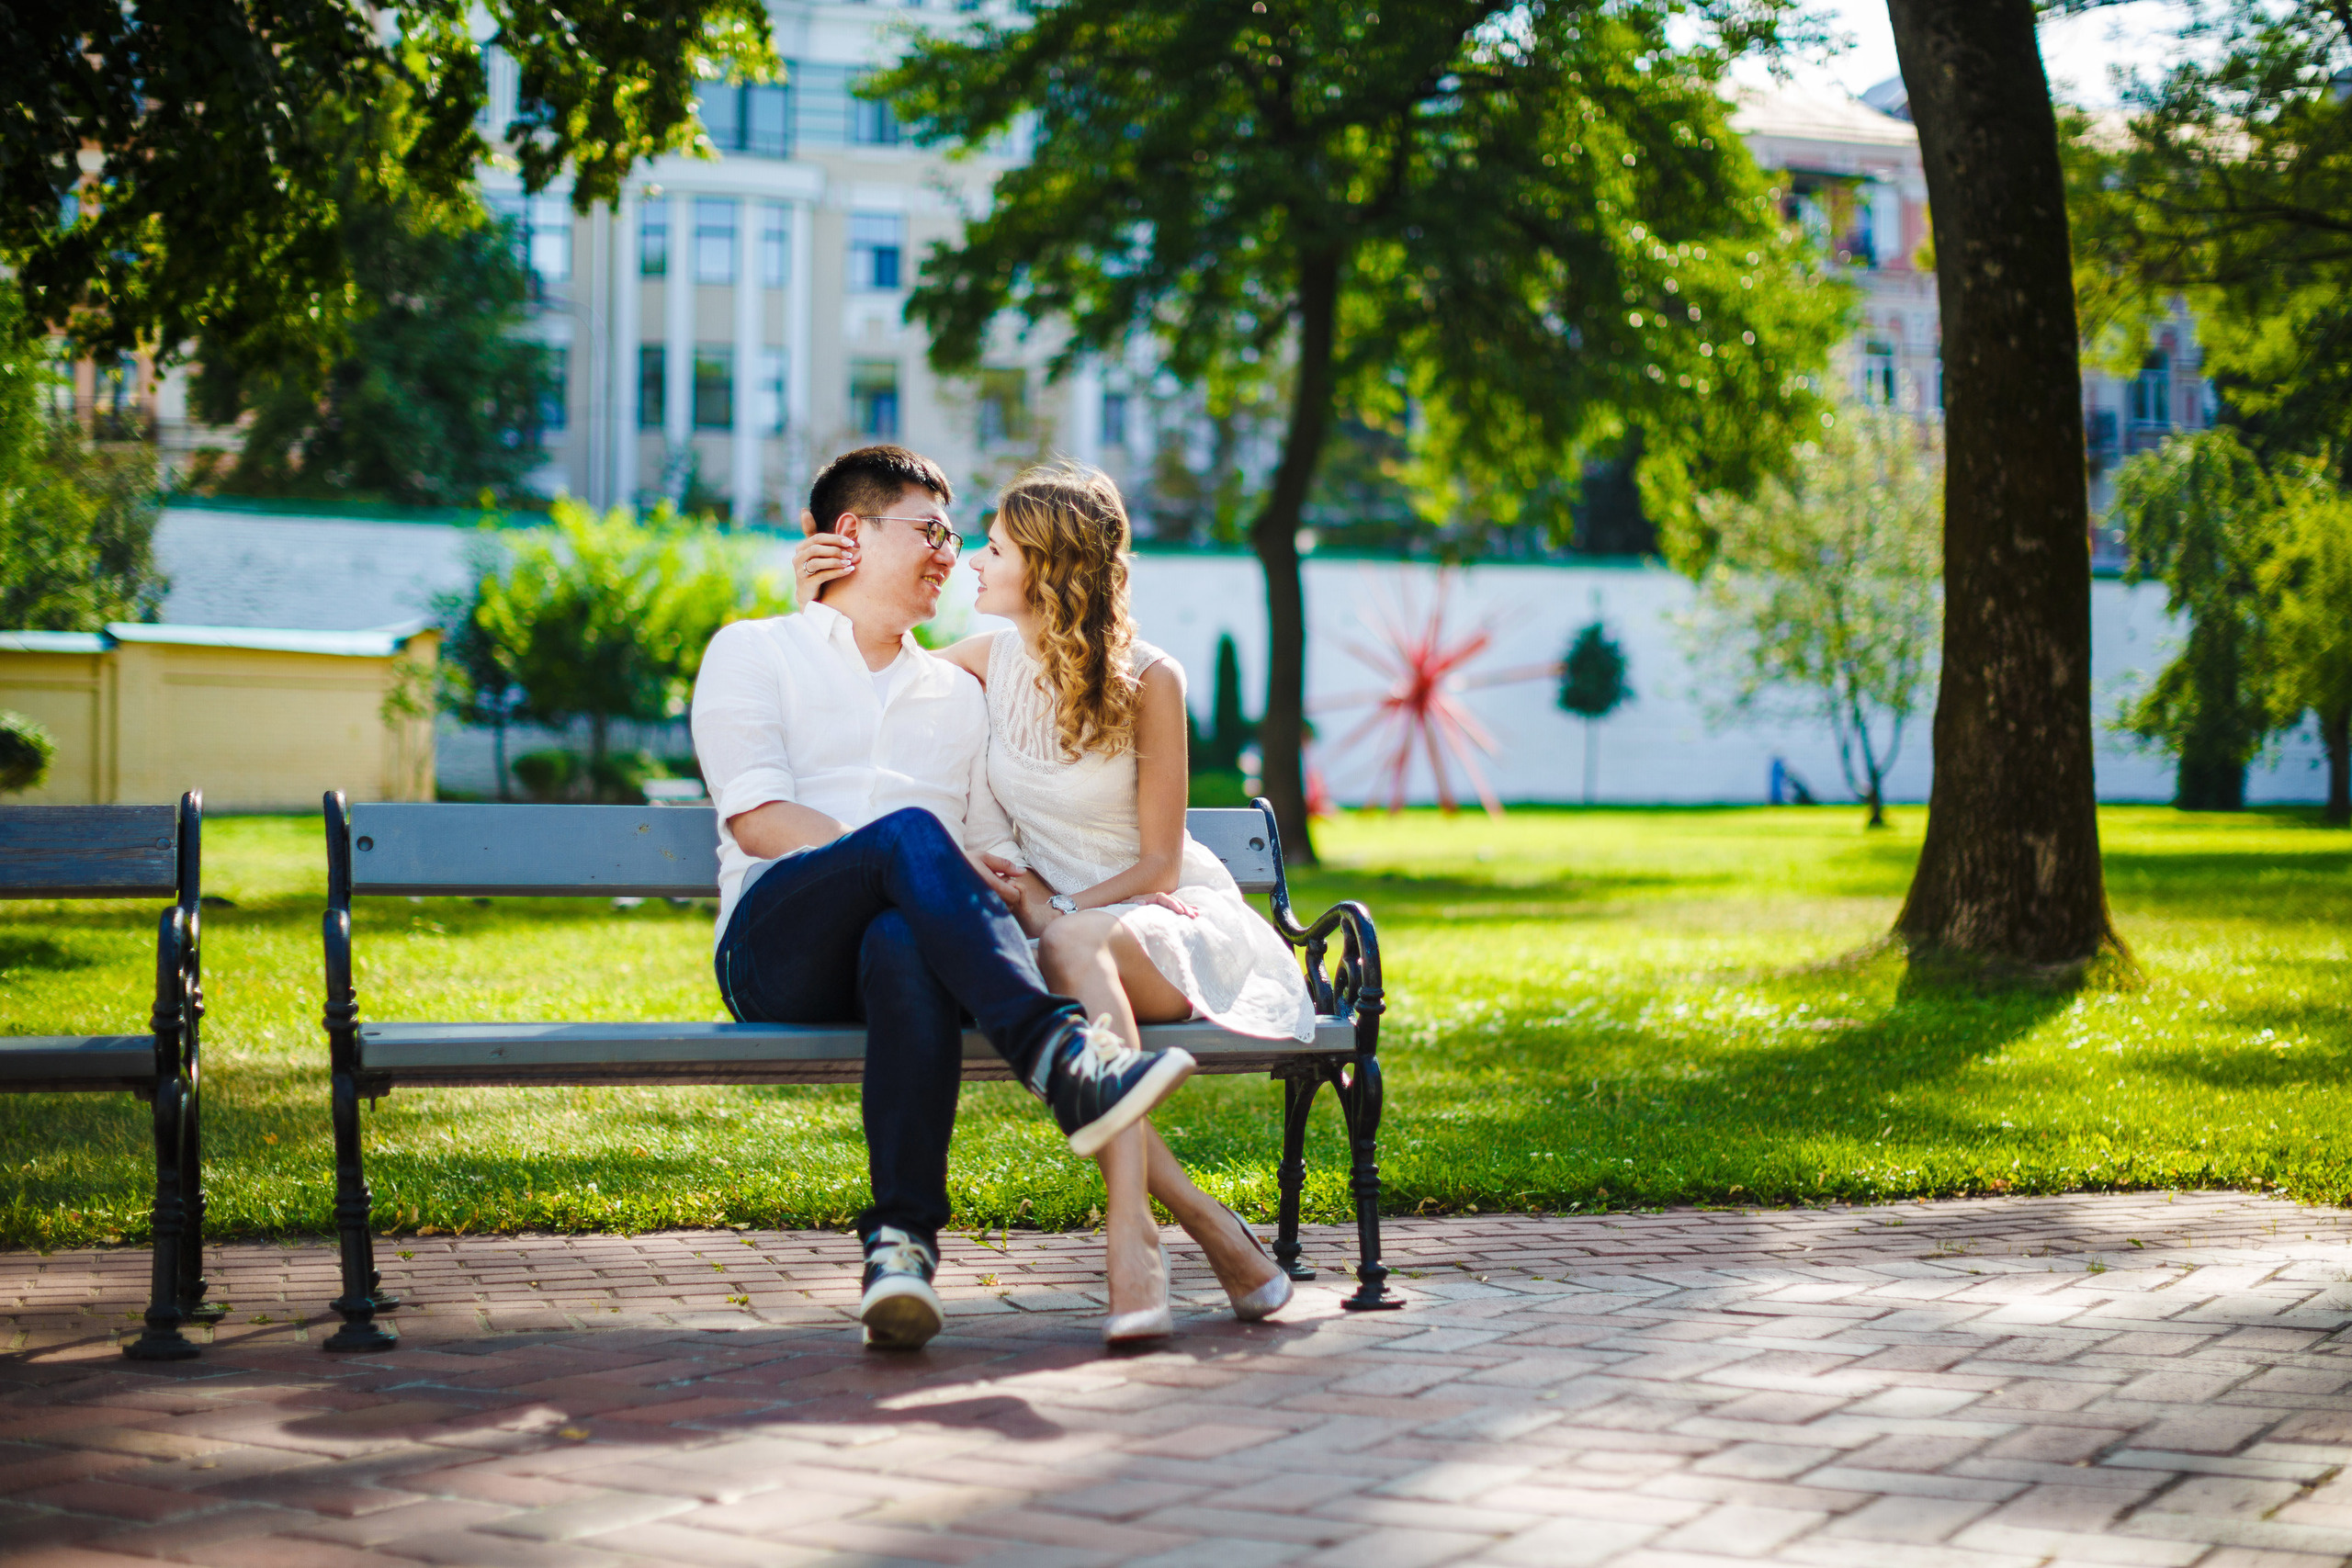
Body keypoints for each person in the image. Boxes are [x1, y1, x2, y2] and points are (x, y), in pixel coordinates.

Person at [691, 445, 1196, 1353]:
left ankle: (901, 1249)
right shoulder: (755, 649)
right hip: (777, 952)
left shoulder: (955, 692)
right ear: (849, 535)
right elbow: (759, 822)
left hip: (897, 958)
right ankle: (1059, 1056)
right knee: (910, 840)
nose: (950, 553)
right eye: (929, 531)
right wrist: (905, 853)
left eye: (958, 536)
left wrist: (1038, 899)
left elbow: (990, 849)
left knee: (900, 935)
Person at [794, 463, 1306, 1343]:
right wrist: (820, 599)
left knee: (1074, 948)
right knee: (1062, 953)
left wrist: (1054, 902)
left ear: (1045, 564)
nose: (968, 564)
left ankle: (1129, 1235)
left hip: (1160, 920)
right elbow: (871, 672)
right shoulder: (984, 662)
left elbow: (1156, 861)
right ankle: (1204, 1227)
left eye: (990, 548)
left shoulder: (1152, 678)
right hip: (1056, 928)